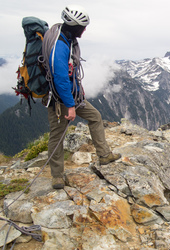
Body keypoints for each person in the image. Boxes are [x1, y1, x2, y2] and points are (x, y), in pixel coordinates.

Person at [42, 5, 121, 189]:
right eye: (82, 27)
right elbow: (60, 78)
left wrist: (77, 95)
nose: (84, 30)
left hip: (73, 96)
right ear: (74, 26)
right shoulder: (59, 45)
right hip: (60, 99)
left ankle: (104, 155)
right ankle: (57, 176)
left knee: (95, 117)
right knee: (57, 135)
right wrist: (70, 105)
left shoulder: (65, 37)